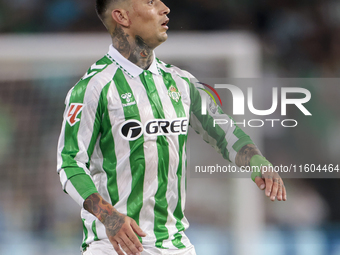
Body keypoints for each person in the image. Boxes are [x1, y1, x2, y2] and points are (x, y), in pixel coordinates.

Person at [57, 0, 287, 254]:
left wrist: (256, 162)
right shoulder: (93, 87)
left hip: (176, 245)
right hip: (115, 247)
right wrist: (109, 218)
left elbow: (224, 133)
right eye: (151, 2)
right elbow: (69, 163)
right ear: (122, 16)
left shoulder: (182, 82)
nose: (165, 8)